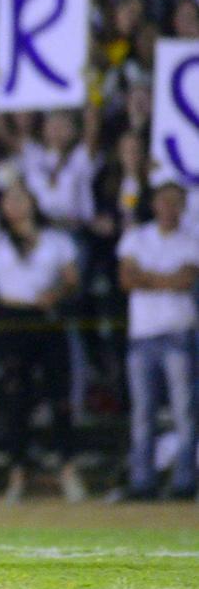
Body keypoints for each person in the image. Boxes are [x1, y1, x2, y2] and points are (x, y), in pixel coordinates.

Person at [0, 182, 85, 504]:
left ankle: (67, 468)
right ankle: (18, 472)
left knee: (60, 396)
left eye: (20, 198)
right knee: (16, 400)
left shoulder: (56, 240)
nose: (14, 205)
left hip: (48, 320)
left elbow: (72, 281)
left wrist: (56, 294)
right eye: (8, 200)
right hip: (12, 321)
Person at [116, 181, 199, 500]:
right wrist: (165, 278)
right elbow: (126, 279)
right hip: (143, 334)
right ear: (154, 204)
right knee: (142, 414)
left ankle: (184, 482)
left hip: (178, 332)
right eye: (164, 201)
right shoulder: (137, 236)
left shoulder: (190, 239)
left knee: (184, 412)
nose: (169, 207)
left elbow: (186, 280)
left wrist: (146, 277)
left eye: (176, 202)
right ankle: (143, 481)